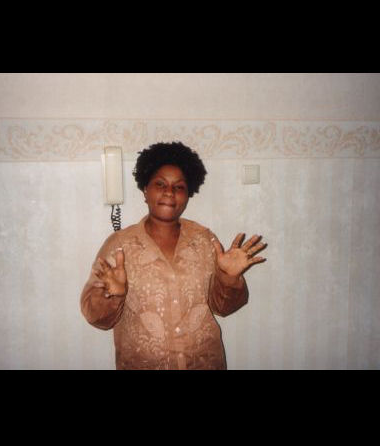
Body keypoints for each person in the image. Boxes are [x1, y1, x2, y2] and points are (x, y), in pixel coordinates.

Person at [80, 142, 267, 370]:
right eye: (160, 184)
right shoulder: (119, 245)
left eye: (179, 187)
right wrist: (113, 295)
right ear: (145, 190)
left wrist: (229, 278)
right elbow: (96, 318)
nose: (169, 192)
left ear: (188, 195)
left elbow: (224, 308)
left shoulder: (204, 239)